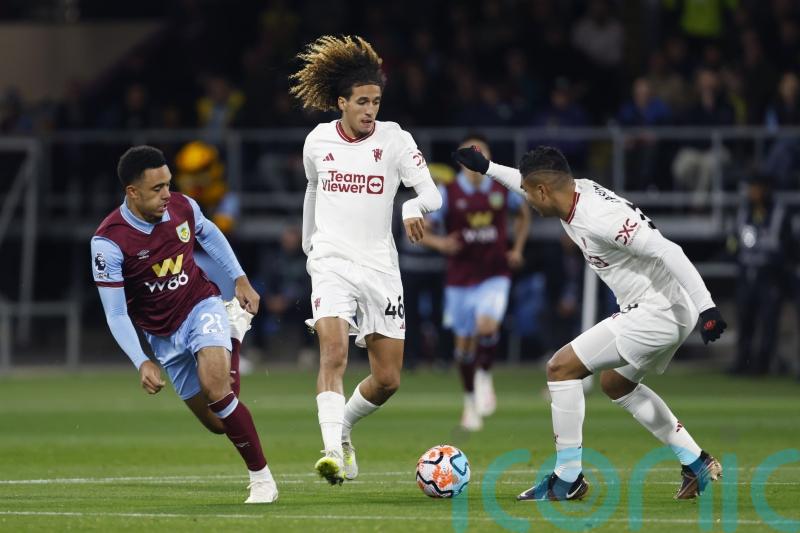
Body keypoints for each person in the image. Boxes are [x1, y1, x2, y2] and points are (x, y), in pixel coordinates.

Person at [453, 145, 726, 501]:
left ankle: (568, 480)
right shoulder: (571, 191)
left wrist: (708, 308)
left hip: (659, 309)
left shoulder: (599, 217)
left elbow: (668, 250)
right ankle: (696, 461)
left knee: (561, 368)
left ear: (544, 192)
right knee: (616, 383)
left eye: (532, 196)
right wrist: (487, 168)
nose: (530, 204)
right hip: (665, 307)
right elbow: (529, 185)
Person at [289, 35, 442, 485]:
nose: (370, 109)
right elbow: (313, 190)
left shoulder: (396, 141)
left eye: (375, 101)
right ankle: (332, 452)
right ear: (341, 102)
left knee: (388, 378)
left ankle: (346, 427)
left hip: (379, 267)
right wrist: (308, 246)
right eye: (361, 101)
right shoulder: (317, 141)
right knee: (333, 353)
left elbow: (430, 192)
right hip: (331, 261)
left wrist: (412, 207)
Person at [91, 146, 277, 504]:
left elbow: (208, 234)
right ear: (132, 192)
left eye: (168, 184)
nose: (167, 194)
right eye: (157, 188)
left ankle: (262, 479)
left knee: (216, 389)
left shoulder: (182, 206)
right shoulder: (108, 242)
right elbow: (115, 313)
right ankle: (234, 335)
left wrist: (239, 278)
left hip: (200, 305)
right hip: (162, 337)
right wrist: (141, 360)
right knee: (218, 422)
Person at [421, 134, 530, 431]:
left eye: (483, 156)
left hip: (494, 274)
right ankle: (469, 402)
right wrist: (441, 243)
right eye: (472, 157)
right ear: (461, 161)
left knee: (487, 326)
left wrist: (517, 248)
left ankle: (484, 377)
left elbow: (523, 212)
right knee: (464, 345)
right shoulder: (449, 193)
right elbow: (422, 230)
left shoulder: (499, 189)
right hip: (459, 279)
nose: (477, 163)